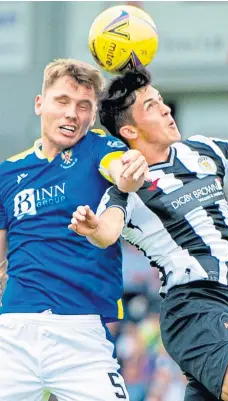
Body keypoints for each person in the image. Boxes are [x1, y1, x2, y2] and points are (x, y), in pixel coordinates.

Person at [69, 67, 228, 401]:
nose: (165, 109)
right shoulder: (126, 189)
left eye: (161, 101)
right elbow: (107, 231)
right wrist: (93, 227)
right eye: (151, 106)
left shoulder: (204, 150)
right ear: (129, 129)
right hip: (196, 303)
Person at [0, 58, 150, 401]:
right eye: (62, 101)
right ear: (41, 104)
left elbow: (122, 171)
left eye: (83, 106)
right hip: (12, 334)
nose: (72, 114)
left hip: (81, 337)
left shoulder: (100, 148)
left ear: (93, 115)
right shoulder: (6, 173)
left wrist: (132, 171)